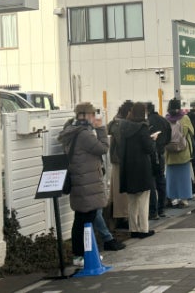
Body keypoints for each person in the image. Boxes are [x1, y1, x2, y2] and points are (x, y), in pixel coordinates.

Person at [58, 102, 109, 267]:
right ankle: (84, 255)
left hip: (80, 180)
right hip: (87, 182)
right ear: (87, 115)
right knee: (87, 219)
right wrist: (101, 129)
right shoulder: (84, 135)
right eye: (93, 115)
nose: (95, 118)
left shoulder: (72, 131)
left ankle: (80, 254)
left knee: (80, 219)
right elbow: (102, 148)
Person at [119, 102, 159, 238]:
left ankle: (133, 229)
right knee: (143, 200)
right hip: (142, 168)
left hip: (128, 168)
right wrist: (153, 140)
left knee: (132, 201)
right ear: (143, 113)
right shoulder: (142, 128)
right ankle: (143, 229)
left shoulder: (124, 127)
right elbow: (149, 148)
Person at [107, 100, 134, 230]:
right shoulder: (120, 125)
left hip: (117, 160)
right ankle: (122, 217)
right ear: (128, 112)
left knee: (117, 192)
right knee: (121, 192)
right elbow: (123, 142)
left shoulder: (116, 122)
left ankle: (121, 217)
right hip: (121, 160)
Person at [165, 98, 194, 208]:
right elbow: (191, 131)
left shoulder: (166, 119)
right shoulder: (185, 118)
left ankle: (173, 198)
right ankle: (184, 199)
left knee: (171, 177)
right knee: (184, 177)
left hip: (169, 152)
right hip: (183, 152)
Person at [146, 101, 171, 220]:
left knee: (151, 183)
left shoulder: (146, 123)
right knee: (161, 181)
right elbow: (169, 138)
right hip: (161, 154)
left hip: (149, 156)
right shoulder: (163, 120)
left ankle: (153, 211)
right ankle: (161, 209)